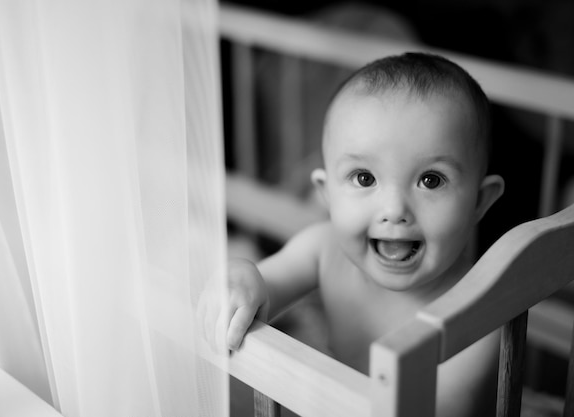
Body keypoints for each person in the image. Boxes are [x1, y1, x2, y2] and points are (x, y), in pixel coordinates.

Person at [201, 52, 505, 416]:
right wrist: (238, 275)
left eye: (431, 180)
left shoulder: (481, 314)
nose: (394, 210)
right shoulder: (323, 248)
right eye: (365, 178)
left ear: (479, 202)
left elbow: (447, 407)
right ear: (326, 193)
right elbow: (263, 283)